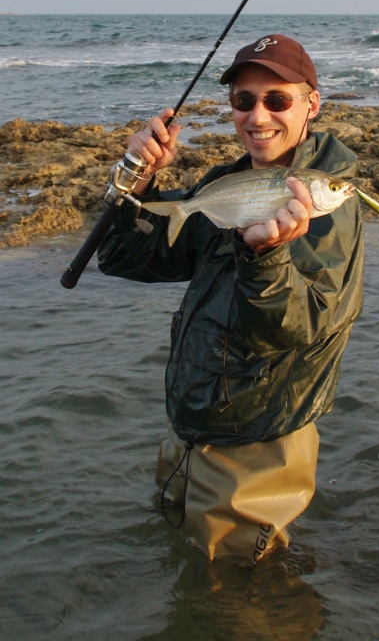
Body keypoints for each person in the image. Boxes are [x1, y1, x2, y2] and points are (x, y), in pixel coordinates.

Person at [97, 34, 364, 562]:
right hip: (194, 428)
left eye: (277, 100)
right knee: (184, 574)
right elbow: (126, 258)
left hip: (257, 445)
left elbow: (297, 329)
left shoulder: (323, 207)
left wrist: (265, 259)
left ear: (312, 104)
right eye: (244, 100)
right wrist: (138, 179)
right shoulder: (229, 185)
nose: (257, 115)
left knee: (244, 602)